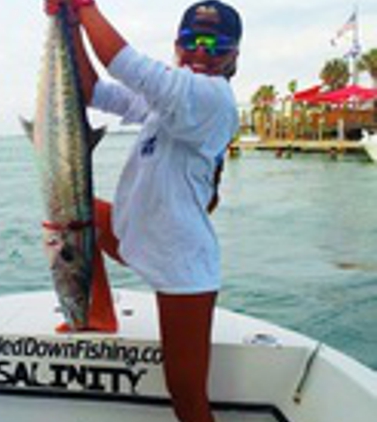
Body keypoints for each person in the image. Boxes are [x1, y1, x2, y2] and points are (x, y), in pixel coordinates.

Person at [44, 1, 242, 421]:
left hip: (182, 265)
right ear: (178, 45)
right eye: (192, 42)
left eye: (217, 45)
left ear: (233, 56)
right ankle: (97, 314)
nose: (202, 53)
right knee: (80, 218)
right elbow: (92, 90)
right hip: (140, 237)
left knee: (186, 397)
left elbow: (126, 65)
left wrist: (84, 6)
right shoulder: (165, 103)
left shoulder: (211, 99)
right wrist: (69, 24)